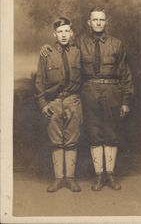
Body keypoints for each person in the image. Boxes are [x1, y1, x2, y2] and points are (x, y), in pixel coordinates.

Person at [40, 6, 134, 191]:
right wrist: (46, 47)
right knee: (94, 132)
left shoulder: (117, 44)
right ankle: (99, 176)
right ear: (89, 23)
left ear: (106, 22)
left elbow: (125, 74)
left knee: (111, 132)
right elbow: (62, 49)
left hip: (112, 90)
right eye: (95, 20)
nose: (98, 23)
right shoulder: (79, 44)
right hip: (89, 91)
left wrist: (125, 100)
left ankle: (111, 176)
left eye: (102, 20)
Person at [36, 17, 82, 192]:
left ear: (71, 33)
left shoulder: (78, 52)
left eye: (67, 31)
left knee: (72, 139)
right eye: (60, 32)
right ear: (54, 34)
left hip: (73, 100)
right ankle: (58, 178)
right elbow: (39, 81)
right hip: (53, 102)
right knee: (56, 140)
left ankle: (70, 178)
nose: (63, 35)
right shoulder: (46, 54)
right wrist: (42, 104)